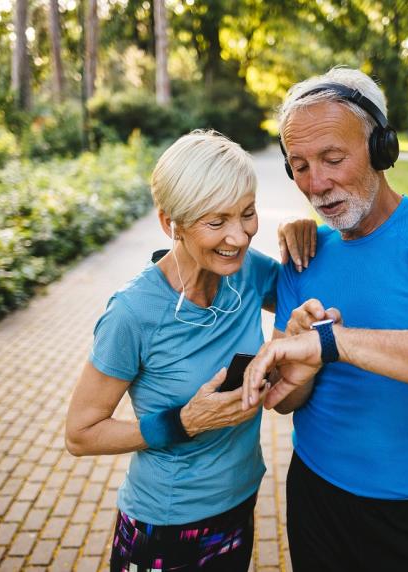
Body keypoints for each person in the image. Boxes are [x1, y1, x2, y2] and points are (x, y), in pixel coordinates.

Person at [242, 67, 408, 571]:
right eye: (298, 165)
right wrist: (300, 365)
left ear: (381, 147)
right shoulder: (303, 254)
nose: (316, 184)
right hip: (315, 494)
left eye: (332, 158)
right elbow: (285, 401)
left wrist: (332, 343)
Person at [64, 130, 315, 571]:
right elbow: (80, 434)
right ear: (169, 223)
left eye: (248, 214)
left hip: (239, 501)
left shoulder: (245, 271)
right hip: (166, 525)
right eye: (215, 222)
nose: (237, 237)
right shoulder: (133, 313)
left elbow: (304, 282)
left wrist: (306, 230)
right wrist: (182, 423)